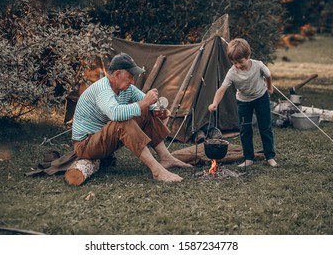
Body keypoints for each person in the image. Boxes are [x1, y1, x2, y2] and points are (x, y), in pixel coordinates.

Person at [72, 52, 192, 183]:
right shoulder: (102, 89)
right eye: (130, 76)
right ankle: (157, 170)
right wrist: (145, 103)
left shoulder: (127, 88)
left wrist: (159, 110)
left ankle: (166, 158)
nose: (133, 81)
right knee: (122, 122)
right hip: (86, 145)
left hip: (103, 139)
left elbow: (148, 105)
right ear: (117, 74)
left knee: (145, 111)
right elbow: (115, 113)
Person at [208, 38, 278, 168]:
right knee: (245, 130)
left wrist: (269, 87)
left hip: (261, 98)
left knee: (265, 127)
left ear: (248, 56)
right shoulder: (232, 72)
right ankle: (248, 158)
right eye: (234, 63)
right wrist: (214, 103)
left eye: (240, 62)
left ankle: (270, 156)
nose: (237, 65)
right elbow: (222, 89)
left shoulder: (258, 65)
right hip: (243, 102)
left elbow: (268, 75)